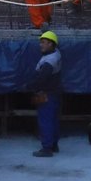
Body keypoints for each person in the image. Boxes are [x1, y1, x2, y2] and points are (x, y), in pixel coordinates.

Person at [28, 30, 62, 158]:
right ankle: (53, 144)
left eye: (44, 43)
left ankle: (46, 148)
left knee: (45, 121)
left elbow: (41, 79)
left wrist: (29, 87)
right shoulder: (56, 53)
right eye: (41, 42)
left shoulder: (48, 62)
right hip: (55, 93)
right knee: (53, 120)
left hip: (47, 95)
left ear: (51, 44)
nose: (40, 45)